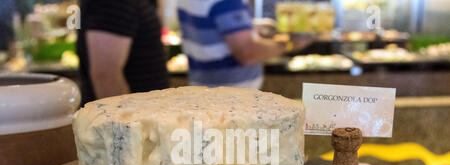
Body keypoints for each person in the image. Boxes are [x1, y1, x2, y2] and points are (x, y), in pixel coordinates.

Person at [177, 0, 312, 88]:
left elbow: (212, 25)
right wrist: (289, 44)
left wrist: (250, 27)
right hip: (231, 99)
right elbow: (247, 52)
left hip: (201, 88)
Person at [77, 0, 169, 105]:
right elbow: (106, 75)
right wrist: (126, 120)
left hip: (145, 112)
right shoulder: (115, 3)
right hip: (130, 116)